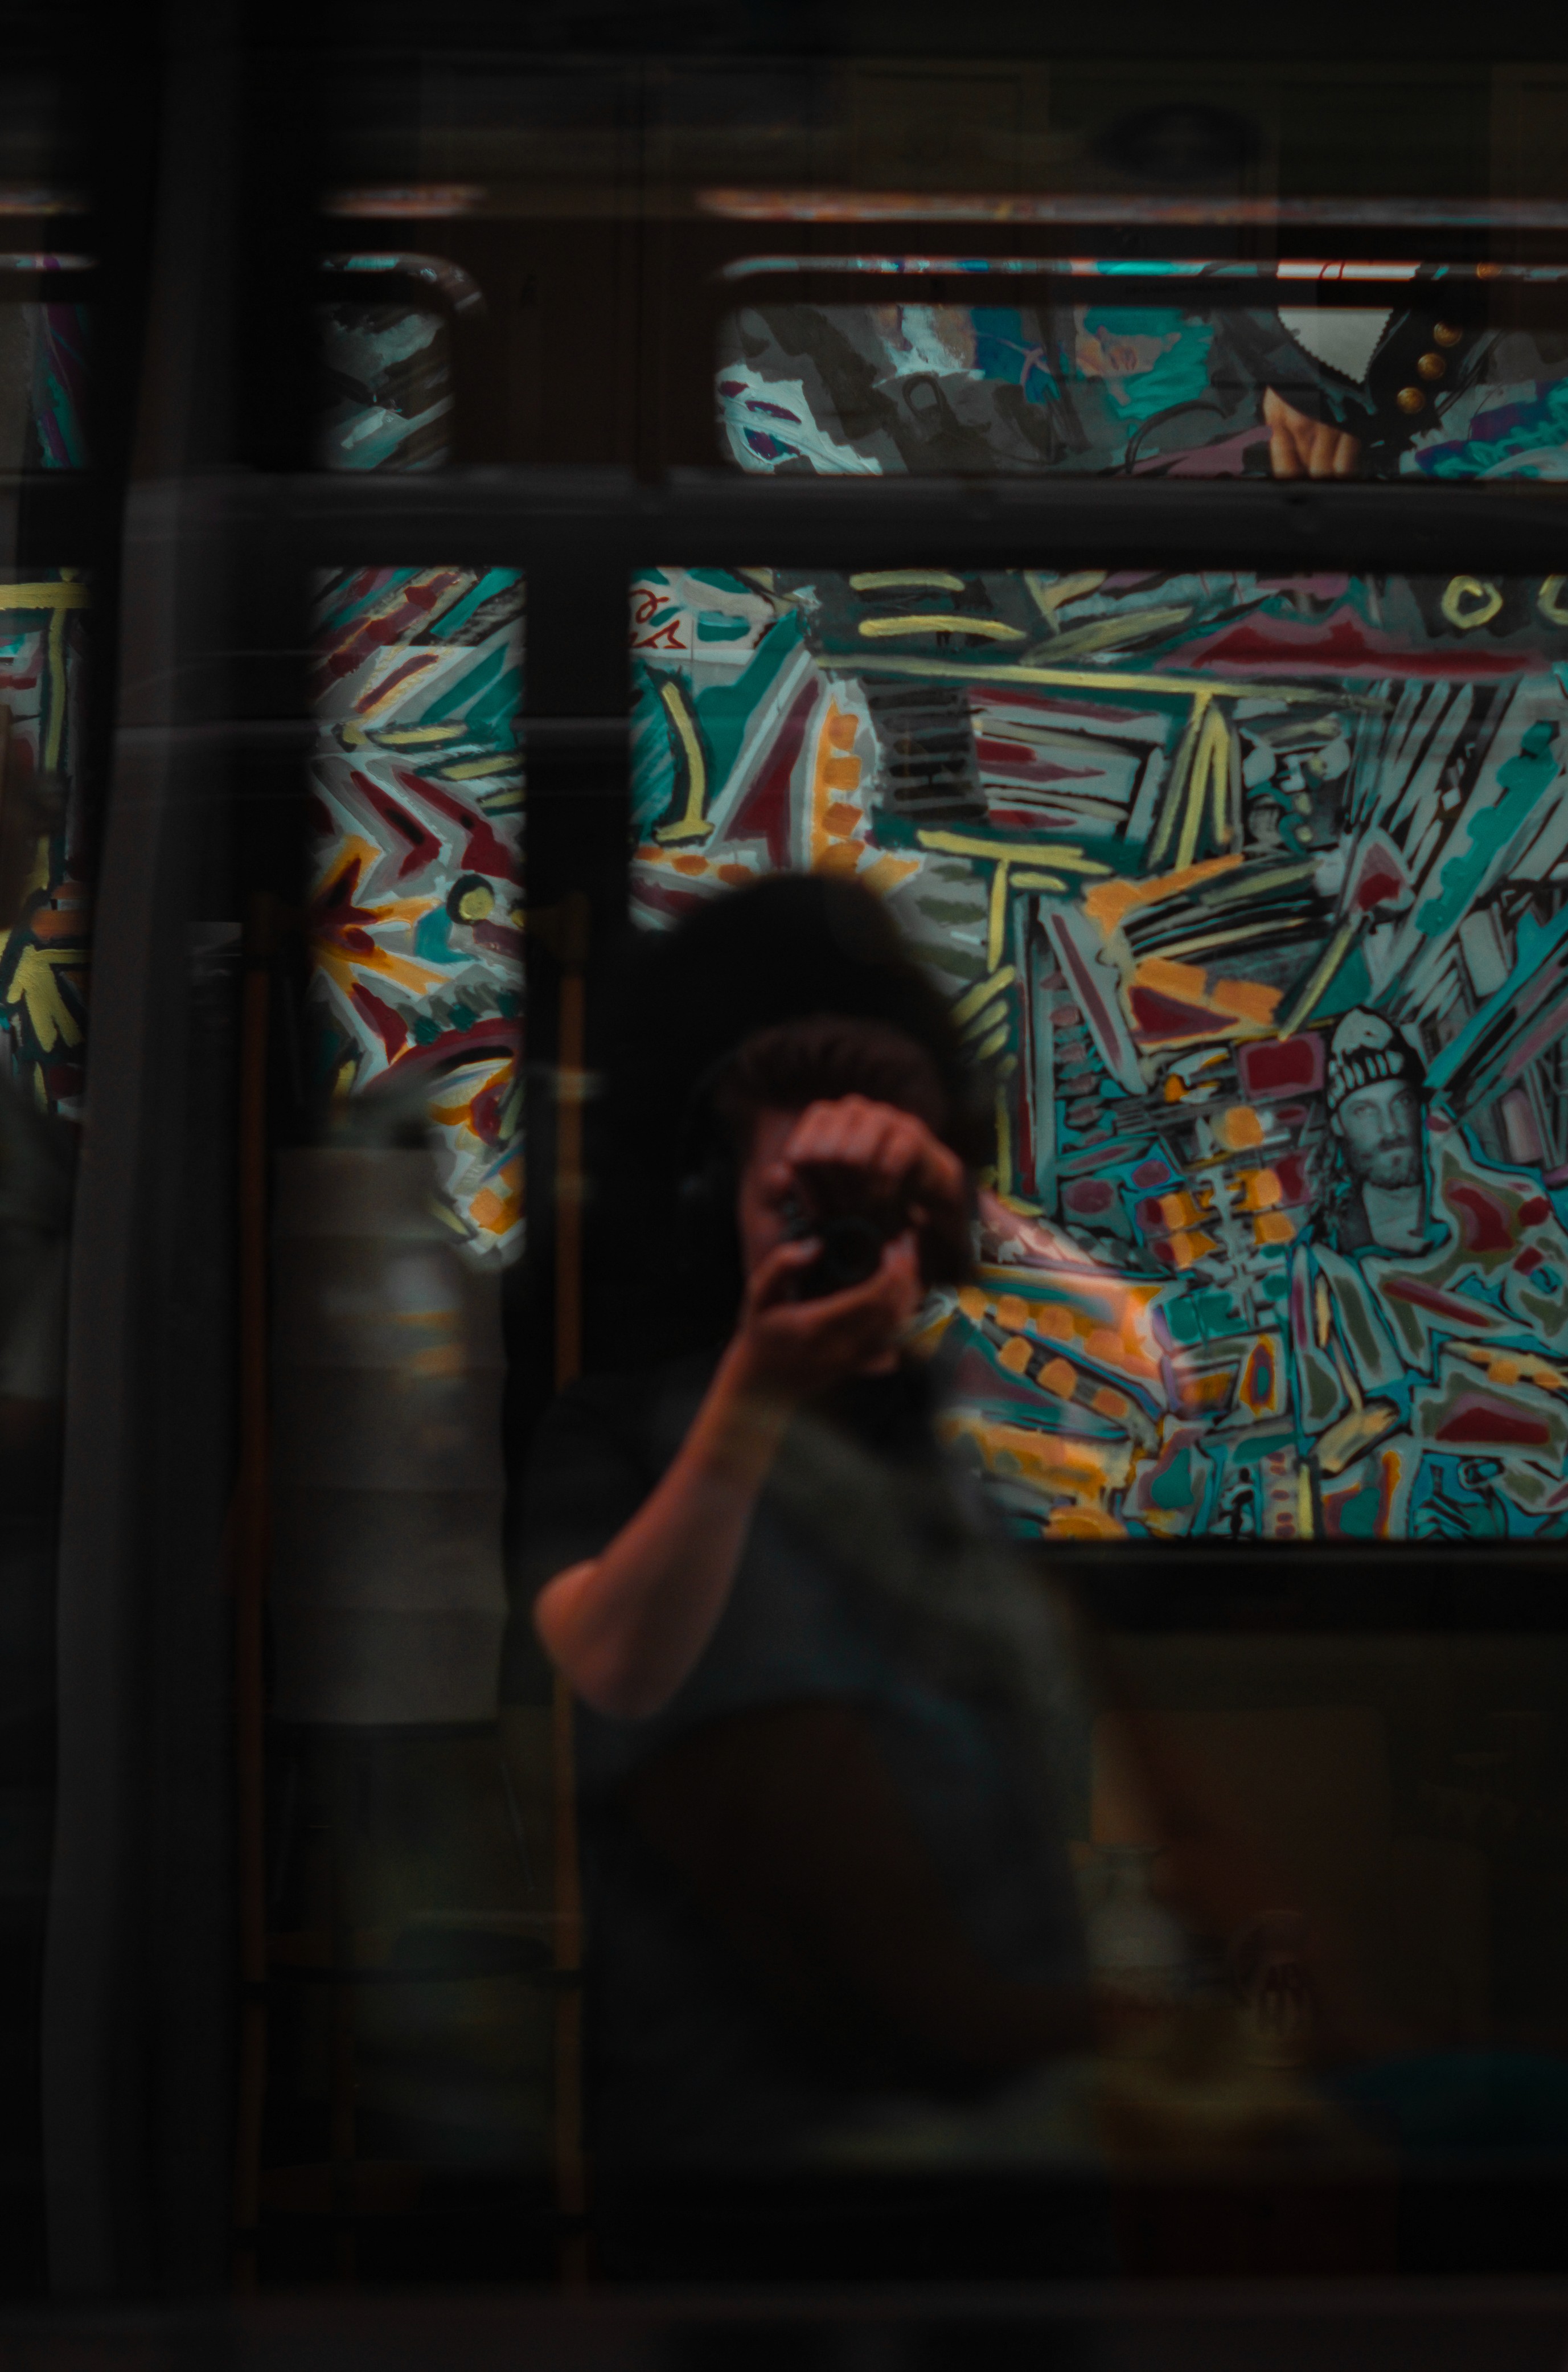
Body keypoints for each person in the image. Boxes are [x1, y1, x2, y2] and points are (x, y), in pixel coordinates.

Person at [519, 1007, 1100, 2178]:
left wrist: (970, 1216)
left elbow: (1180, 1378)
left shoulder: (992, 1431)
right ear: (716, 1213)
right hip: (733, 2152)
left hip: (1021, 2152)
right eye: (795, 1204)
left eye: (865, 1211)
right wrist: (755, 1395)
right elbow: (615, 1664)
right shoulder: (624, 1429)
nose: (828, 1240)